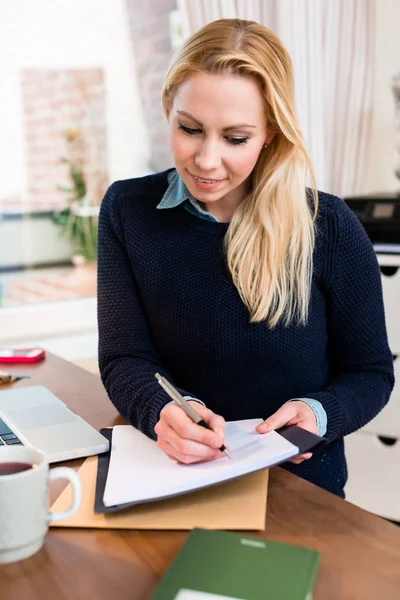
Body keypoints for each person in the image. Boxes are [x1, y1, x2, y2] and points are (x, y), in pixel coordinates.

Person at [97, 18, 394, 497]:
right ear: (167, 110)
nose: (207, 160)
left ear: (271, 133)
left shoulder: (329, 225)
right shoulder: (128, 211)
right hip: (173, 475)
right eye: (189, 129)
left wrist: (317, 415)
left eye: (235, 138)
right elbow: (124, 357)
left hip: (299, 487)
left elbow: (371, 374)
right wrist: (163, 410)